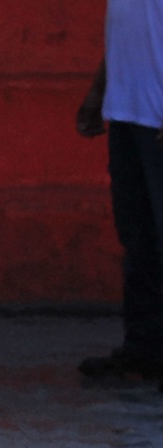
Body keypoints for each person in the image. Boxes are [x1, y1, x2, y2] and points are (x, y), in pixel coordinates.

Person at [77, 1, 163, 384]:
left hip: (157, 118)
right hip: (127, 114)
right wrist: (99, 91)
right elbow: (124, 37)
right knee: (137, 238)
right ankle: (144, 349)